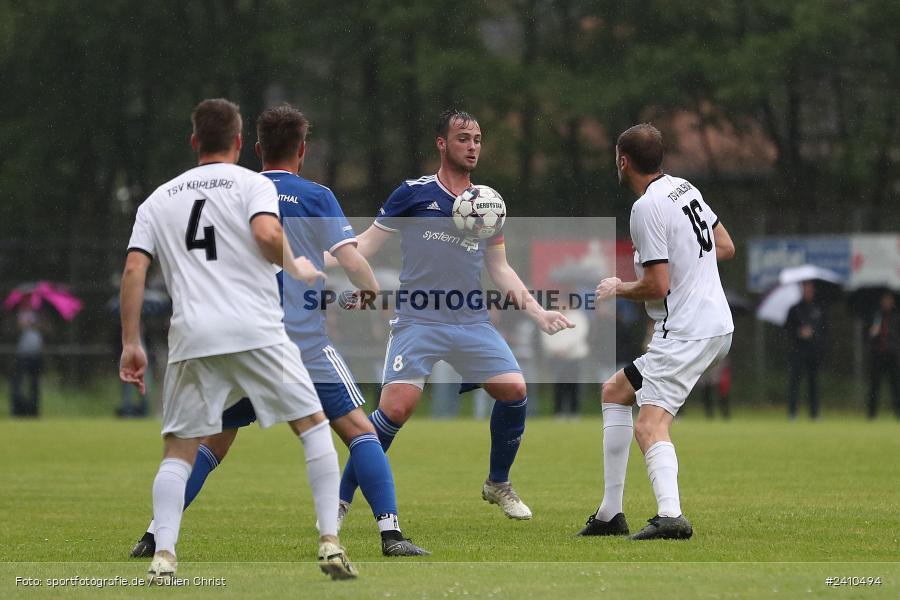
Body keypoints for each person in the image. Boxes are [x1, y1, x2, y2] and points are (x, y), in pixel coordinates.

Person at [128, 104, 428, 558]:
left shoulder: (231, 191)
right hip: (298, 339)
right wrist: (371, 294)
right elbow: (349, 259)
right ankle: (389, 534)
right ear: (302, 150)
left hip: (230, 335)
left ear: (255, 148)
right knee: (355, 430)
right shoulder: (314, 195)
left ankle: (154, 536)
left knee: (209, 443)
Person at [337, 109, 574, 521]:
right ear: (442, 144)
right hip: (418, 319)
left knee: (515, 390)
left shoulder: (488, 204)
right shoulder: (412, 193)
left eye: (478, 139)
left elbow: (499, 269)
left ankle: (497, 482)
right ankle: (339, 502)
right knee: (395, 409)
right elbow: (367, 244)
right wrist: (320, 258)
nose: (473, 146)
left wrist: (537, 312)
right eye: (463, 138)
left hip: (470, 322)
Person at [578, 123, 734, 540]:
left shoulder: (646, 207)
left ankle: (671, 516)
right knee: (615, 392)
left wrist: (617, 288)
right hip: (716, 324)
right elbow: (725, 246)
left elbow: (656, 286)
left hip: (686, 331)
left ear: (623, 161)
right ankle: (611, 513)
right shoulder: (684, 187)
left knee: (650, 426)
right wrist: (691, 268)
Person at [785, 281, 826, 419]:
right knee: (794, 382)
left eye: (810, 289)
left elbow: (824, 330)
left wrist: (813, 334)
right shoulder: (794, 309)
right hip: (798, 351)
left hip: (813, 351)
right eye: (806, 289)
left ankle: (814, 413)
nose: (808, 292)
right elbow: (788, 330)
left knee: (813, 383)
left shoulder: (818, 309)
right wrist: (799, 332)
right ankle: (792, 413)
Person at [865, 291, 900, 419]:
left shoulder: (897, 316)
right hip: (878, 355)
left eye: (889, 300)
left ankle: (898, 412)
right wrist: (872, 333)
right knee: (874, 386)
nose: (887, 302)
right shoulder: (875, 316)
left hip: (892, 355)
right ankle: (871, 414)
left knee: (895, 386)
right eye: (885, 299)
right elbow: (867, 335)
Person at [10, 309, 42, 417]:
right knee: (18, 384)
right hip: (22, 355)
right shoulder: (18, 314)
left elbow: (48, 330)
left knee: (34, 384)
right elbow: (15, 330)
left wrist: (36, 323)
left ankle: (33, 410)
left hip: (35, 355)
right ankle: (18, 410)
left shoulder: (40, 314)